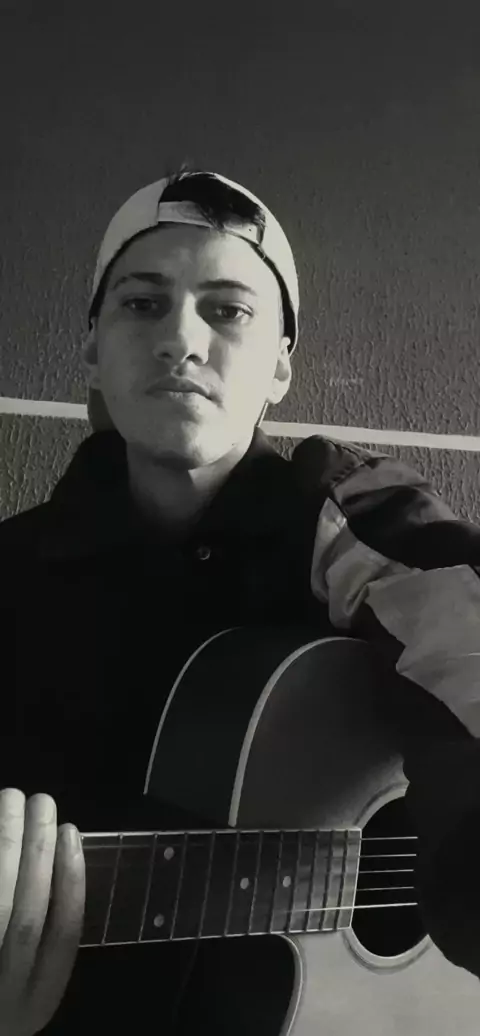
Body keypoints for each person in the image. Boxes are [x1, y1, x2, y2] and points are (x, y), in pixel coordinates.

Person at [2, 162, 480, 1034]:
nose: (181, 340)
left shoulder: (358, 527)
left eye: (228, 311)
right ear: (92, 349)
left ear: (281, 368)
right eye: (143, 304)